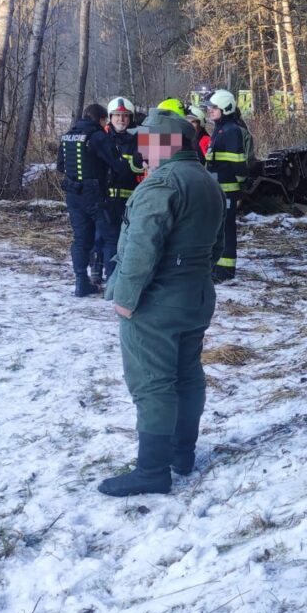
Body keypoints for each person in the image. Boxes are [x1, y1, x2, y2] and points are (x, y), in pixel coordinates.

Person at [99, 108, 226, 497]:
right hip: (197, 295)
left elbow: (141, 248)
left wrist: (126, 297)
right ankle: (180, 454)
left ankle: (152, 471)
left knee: (153, 383)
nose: (142, 150)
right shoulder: (207, 181)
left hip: (157, 300)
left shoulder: (162, 185)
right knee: (187, 375)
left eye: (147, 142)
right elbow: (218, 246)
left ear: (167, 144)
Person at [57, 103, 117, 296]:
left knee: (81, 239)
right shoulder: (98, 136)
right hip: (95, 193)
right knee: (110, 237)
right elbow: (116, 163)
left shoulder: (68, 136)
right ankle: (114, 287)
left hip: (73, 194)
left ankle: (81, 282)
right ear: (100, 119)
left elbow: (61, 165)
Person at [204, 89, 252, 282]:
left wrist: (240, 188)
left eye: (214, 108)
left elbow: (238, 164)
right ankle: (216, 267)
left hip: (228, 191)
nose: (210, 111)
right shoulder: (221, 128)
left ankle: (225, 271)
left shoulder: (231, 131)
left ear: (225, 108)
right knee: (218, 229)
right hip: (219, 190)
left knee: (226, 230)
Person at [98, 97, 146, 283]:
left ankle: (119, 279)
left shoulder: (141, 139)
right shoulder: (100, 138)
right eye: (117, 115)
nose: (121, 119)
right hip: (105, 199)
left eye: (125, 116)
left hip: (130, 200)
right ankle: (105, 274)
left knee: (125, 241)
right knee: (103, 239)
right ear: (110, 117)